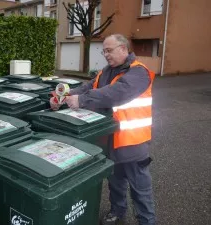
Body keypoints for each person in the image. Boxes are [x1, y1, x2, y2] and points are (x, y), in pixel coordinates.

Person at [50, 34, 156, 225]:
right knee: (115, 183)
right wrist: (61, 97)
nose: (106, 54)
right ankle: (117, 212)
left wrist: (82, 100)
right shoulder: (105, 72)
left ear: (123, 49)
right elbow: (87, 87)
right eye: (104, 50)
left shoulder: (139, 72)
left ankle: (147, 221)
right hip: (109, 140)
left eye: (109, 50)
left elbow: (117, 93)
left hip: (132, 143)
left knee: (140, 189)